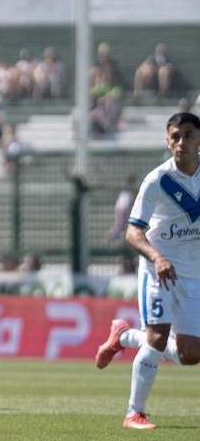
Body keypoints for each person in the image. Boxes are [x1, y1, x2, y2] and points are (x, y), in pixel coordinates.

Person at [94, 112, 200, 430]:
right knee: (156, 339)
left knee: (191, 354)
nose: (181, 141)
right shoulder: (158, 180)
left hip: (193, 275)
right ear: (168, 141)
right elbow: (132, 232)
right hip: (158, 272)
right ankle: (133, 412)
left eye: (188, 135)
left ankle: (124, 335)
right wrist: (157, 257)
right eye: (175, 136)